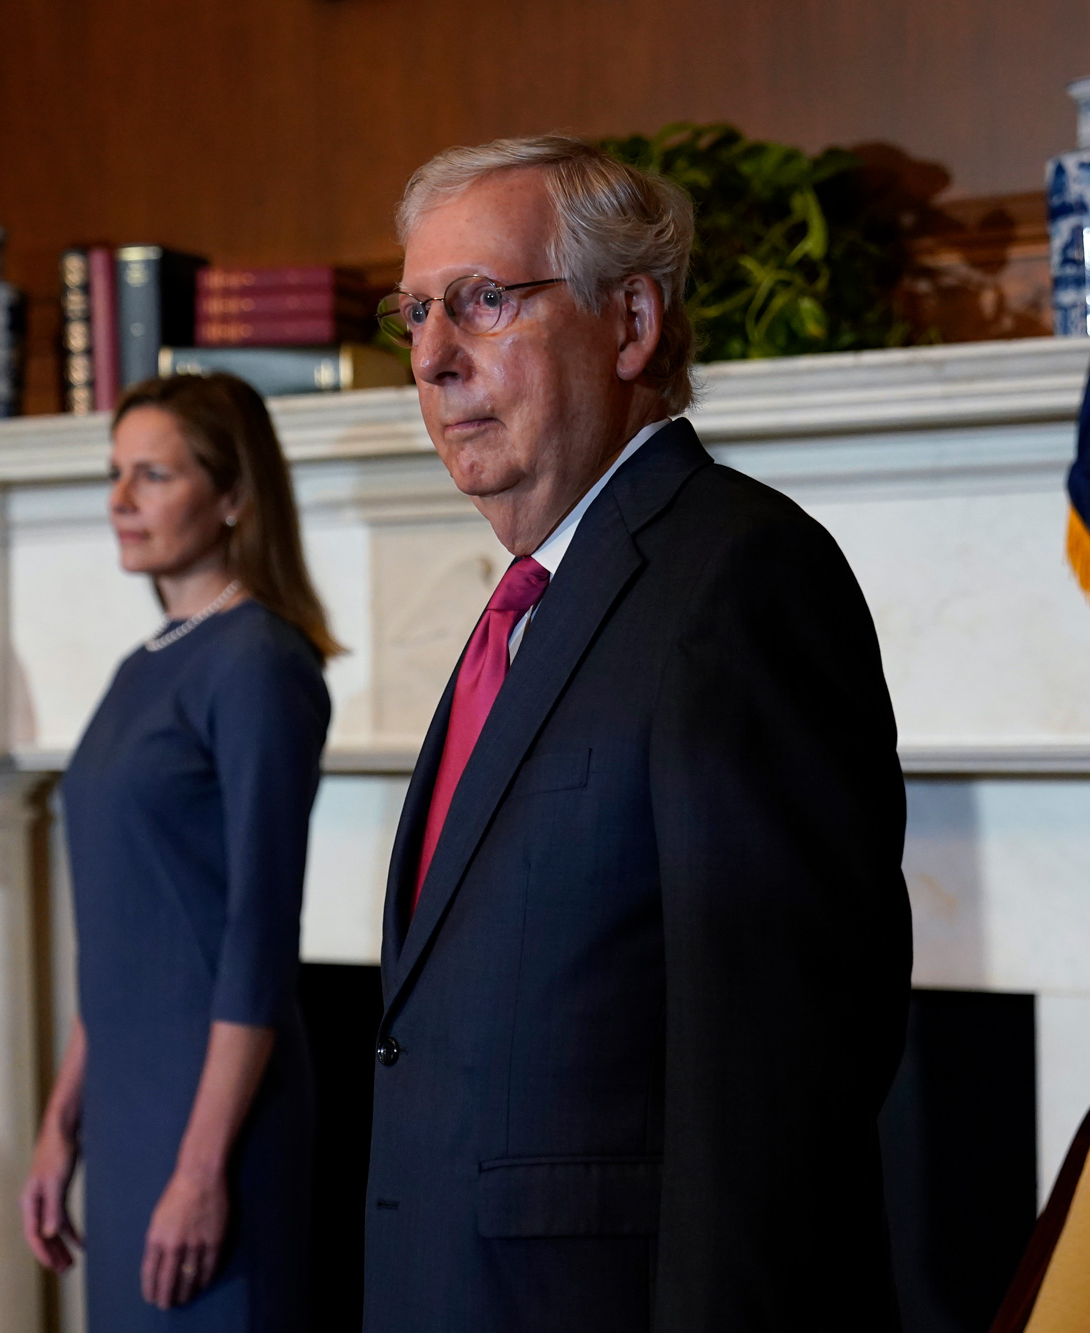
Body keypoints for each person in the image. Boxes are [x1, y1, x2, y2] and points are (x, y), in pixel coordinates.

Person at [362, 135, 912, 1332]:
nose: (432, 359)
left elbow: (776, 1091)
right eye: (411, 314)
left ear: (630, 323)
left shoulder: (740, 580)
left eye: (481, 302)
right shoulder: (535, 601)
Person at [19, 373, 339, 1330]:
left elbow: (256, 938)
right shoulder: (141, 666)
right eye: (116, 474)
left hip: (218, 1130)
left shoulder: (259, 661)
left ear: (234, 494)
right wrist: (61, 1118)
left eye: (151, 475)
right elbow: (126, 931)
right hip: (127, 1114)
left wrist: (202, 1168)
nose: (119, 501)